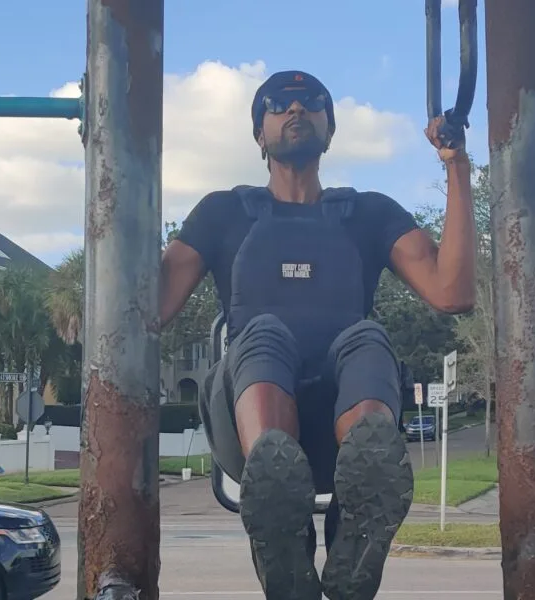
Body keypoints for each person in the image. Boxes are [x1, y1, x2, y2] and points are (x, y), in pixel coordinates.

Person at [160, 70, 476, 600]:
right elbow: (151, 307)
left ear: (329, 130)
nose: (296, 110)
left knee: (365, 337)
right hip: (247, 418)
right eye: (278, 104)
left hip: (339, 429)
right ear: (259, 134)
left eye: (310, 103)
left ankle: (357, 521)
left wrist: (457, 167)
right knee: (263, 334)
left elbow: (451, 292)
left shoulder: (369, 213)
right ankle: (277, 505)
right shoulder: (221, 213)